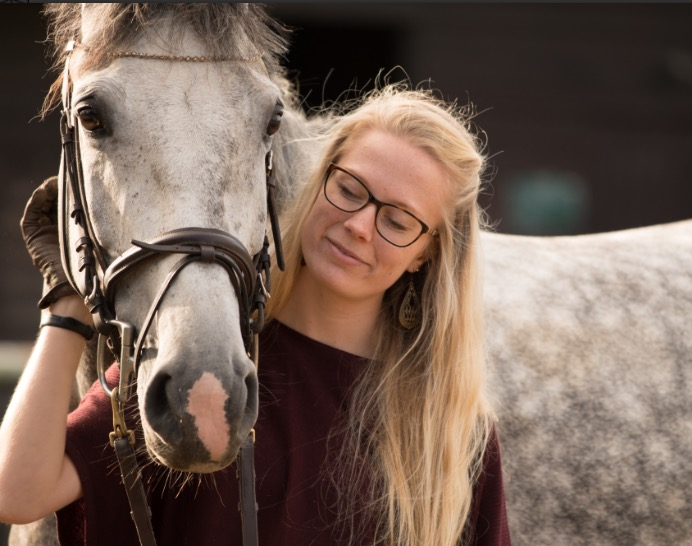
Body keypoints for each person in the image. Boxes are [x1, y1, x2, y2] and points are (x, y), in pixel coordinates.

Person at [0, 83, 510, 546]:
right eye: (350, 190)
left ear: (425, 253)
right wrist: (66, 305)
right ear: (319, 181)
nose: (358, 225)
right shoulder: (209, 363)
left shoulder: (450, 431)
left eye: (397, 220)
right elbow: (18, 493)